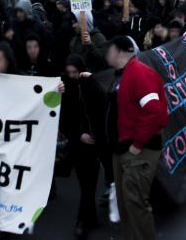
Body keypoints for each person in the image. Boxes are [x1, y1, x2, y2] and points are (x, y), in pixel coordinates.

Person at [106, 36, 168, 240]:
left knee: (136, 203)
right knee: (127, 205)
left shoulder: (139, 74)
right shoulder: (121, 75)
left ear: (122, 51)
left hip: (138, 151)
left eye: (111, 50)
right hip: (124, 149)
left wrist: (137, 144)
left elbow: (154, 112)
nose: (108, 54)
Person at [61, 54, 109, 239]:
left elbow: (103, 104)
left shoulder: (90, 85)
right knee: (86, 184)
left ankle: (85, 220)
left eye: (76, 72)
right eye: (69, 72)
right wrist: (79, 134)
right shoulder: (65, 88)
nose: (72, 75)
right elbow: (64, 120)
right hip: (78, 144)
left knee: (89, 183)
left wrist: (92, 80)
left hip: (94, 144)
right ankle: (86, 220)